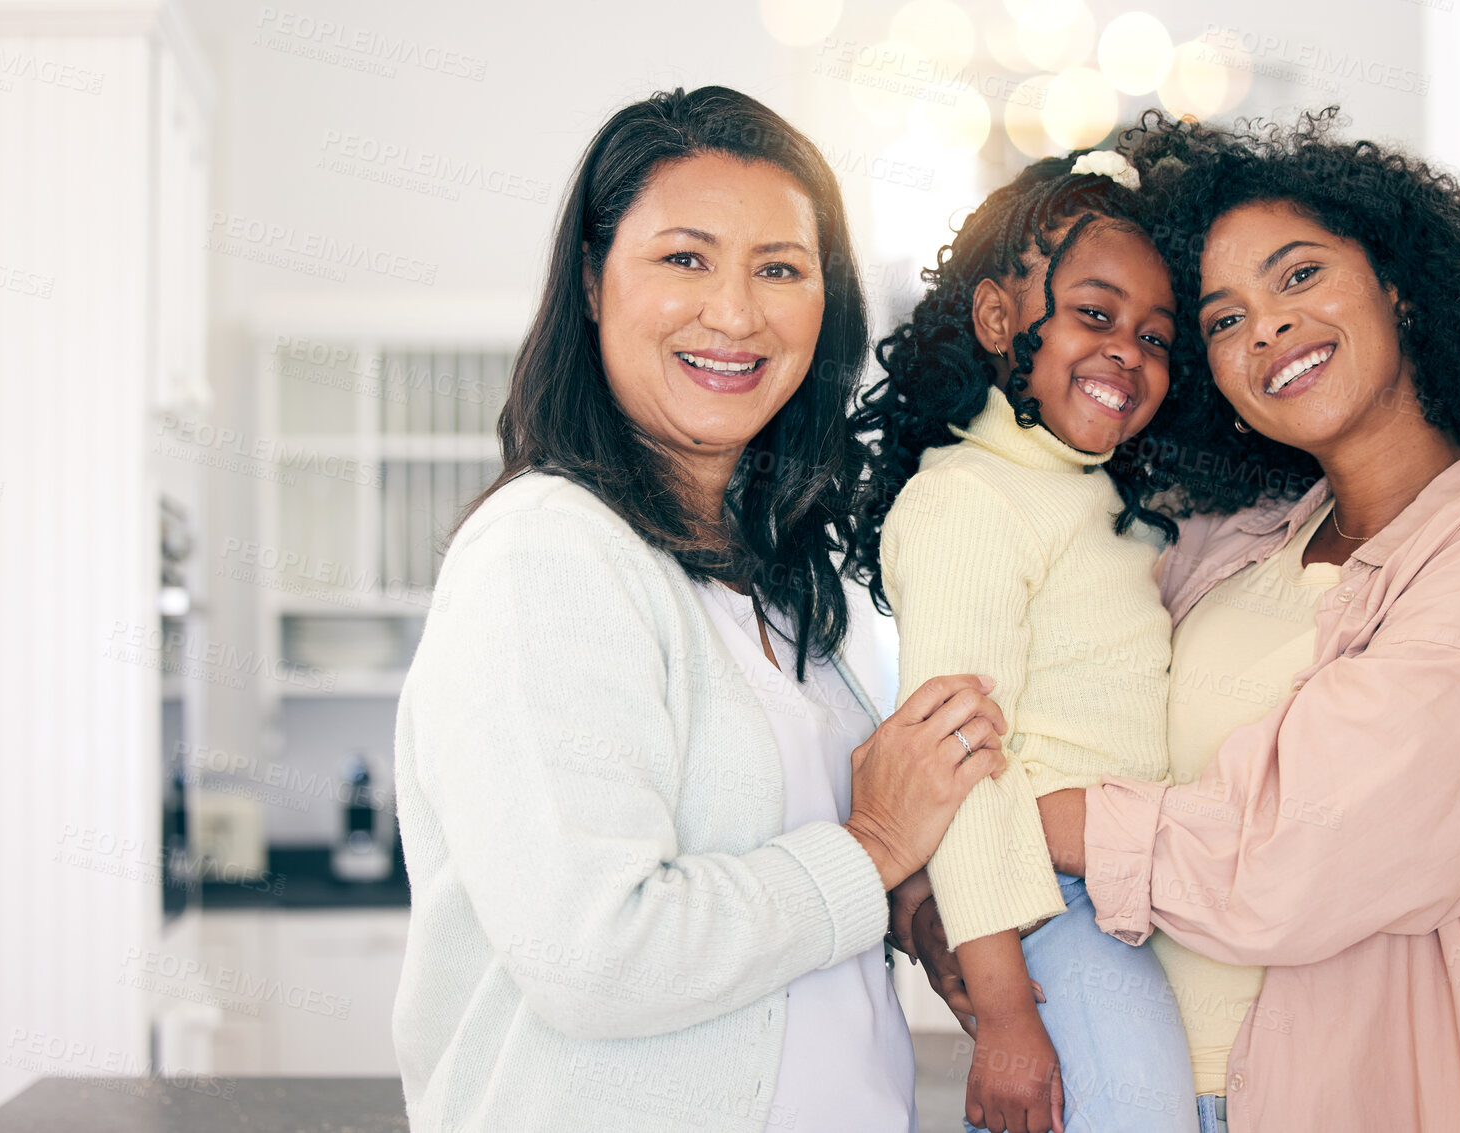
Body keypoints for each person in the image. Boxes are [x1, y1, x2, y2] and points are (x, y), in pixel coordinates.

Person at [911, 108, 1460, 1133]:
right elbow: (1036, 691)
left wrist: (1002, 824)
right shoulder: (1228, 546)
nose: (1267, 328)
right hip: (1106, 1077)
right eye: (1222, 319)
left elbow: (1299, 854)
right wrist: (931, 889)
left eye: (1298, 277)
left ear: (1399, 288)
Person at [390, 85, 1009, 1133]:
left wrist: (909, 904)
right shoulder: (546, 551)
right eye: (685, 258)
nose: (735, 312)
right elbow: (593, 953)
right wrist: (870, 847)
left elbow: (788, 854)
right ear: (592, 281)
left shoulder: (774, 574)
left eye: (780, 268)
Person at [853, 151, 1198, 1133]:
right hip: (1046, 908)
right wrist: (1004, 1015)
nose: (1126, 350)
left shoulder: (1094, 494)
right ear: (1001, 318)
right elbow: (960, 768)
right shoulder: (966, 497)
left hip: (1117, 888)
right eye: (1094, 314)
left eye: (1155, 335)